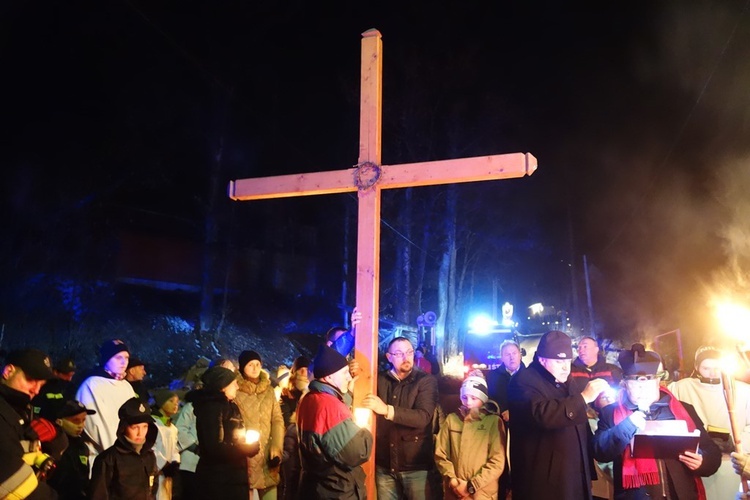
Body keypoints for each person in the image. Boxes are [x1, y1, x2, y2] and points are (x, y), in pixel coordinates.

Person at [593, 343, 722, 499]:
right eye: (635, 381)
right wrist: (627, 426)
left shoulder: (683, 409)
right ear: (625, 384)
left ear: (657, 381)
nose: (642, 387)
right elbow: (600, 452)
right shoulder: (611, 413)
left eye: (648, 380)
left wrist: (703, 461)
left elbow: (712, 452)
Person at [507, 330, 610, 500]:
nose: (565, 367)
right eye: (558, 361)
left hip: (574, 476)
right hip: (545, 484)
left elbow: (579, 423)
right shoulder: (522, 381)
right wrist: (584, 397)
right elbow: (542, 414)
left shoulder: (566, 379)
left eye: (567, 361)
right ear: (542, 359)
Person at [362, 336, 439, 500]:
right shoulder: (379, 380)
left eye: (409, 352)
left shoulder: (425, 381)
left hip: (415, 466)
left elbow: (423, 417)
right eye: (399, 353)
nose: (406, 358)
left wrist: (386, 410)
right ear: (389, 357)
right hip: (385, 465)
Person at [668, 345, 750, 499]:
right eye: (706, 368)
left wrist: (735, 442)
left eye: (717, 367)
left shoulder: (743, 391)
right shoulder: (680, 388)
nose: (712, 373)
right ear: (697, 367)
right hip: (698, 461)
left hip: (733, 463)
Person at [297, 344, 373, 499]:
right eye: (344, 373)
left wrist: (345, 396)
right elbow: (357, 452)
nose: (349, 377)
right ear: (328, 377)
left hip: (317, 488)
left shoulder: (309, 399)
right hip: (336, 490)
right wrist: (364, 429)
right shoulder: (328, 406)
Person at [190, 366, 260, 500]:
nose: (237, 387)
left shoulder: (230, 406)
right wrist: (244, 449)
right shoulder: (212, 408)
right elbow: (214, 447)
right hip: (219, 479)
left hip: (232, 476)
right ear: (223, 386)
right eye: (234, 384)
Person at [434, 370, 506, 499]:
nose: (468, 402)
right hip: (454, 491)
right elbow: (441, 454)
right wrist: (453, 480)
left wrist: (471, 485)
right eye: (464, 397)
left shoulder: (493, 422)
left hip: (481, 493)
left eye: (474, 398)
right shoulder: (452, 420)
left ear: (483, 399)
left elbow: (497, 461)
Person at [0, 348, 59, 499]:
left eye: (41, 384)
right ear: (8, 371)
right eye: (31, 380)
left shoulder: (21, 408)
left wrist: (56, 436)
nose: (36, 390)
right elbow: (15, 482)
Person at [174, 358, 235, 500]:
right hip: (191, 461)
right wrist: (194, 447)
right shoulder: (193, 406)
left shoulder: (228, 409)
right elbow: (180, 428)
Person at [75, 339, 137, 473]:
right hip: (103, 461)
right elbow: (97, 426)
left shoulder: (126, 386)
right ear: (106, 359)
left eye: (126, 357)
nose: (123, 362)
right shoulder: (92, 385)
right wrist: (117, 455)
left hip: (127, 457)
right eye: (118, 357)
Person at [234, 350, 284, 500]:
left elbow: (277, 419)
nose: (255, 368)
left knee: (270, 492)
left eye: (257, 364)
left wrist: (276, 446)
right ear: (243, 367)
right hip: (246, 455)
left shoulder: (268, 391)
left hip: (268, 455)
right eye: (250, 365)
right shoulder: (236, 391)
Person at [89, 397, 159, 499]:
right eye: (135, 427)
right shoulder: (109, 459)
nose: (140, 433)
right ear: (123, 428)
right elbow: (98, 495)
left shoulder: (149, 455)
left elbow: (153, 490)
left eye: (145, 427)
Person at [48, 400, 97, 499]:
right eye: (76, 420)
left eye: (83, 420)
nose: (81, 425)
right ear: (60, 421)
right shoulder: (51, 446)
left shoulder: (82, 446)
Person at [570, 336, 623, 412]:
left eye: (585, 346)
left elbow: (621, 392)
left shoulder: (612, 370)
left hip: (607, 416)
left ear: (596, 350)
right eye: (579, 347)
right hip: (579, 415)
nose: (581, 350)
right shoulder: (570, 371)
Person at [151, 389, 181, 500]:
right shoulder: (153, 424)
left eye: (177, 402)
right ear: (161, 403)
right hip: (156, 471)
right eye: (171, 401)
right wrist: (164, 464)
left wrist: (175, 462)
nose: (175, 404)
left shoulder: (173, 428)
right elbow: (151, 447)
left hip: (167, 473)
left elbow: (175, 448)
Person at [486, 340, 525, 423]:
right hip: (499, 423)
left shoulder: (530, 376)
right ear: (502, 358)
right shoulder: (492, 376)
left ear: (520, 355)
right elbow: (491, 399)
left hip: (523, 423)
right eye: (507, 354)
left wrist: (514, 412)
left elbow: (532, 401)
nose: (512, 357)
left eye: (514, 353)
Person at [33, 356, 77, 422]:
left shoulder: (69, 388)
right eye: (67, 375)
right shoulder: (42, 385)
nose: (69, 379)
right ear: (55, 372)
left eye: (72, 375)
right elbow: (36, 408)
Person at [279, 356, 310, 428]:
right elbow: (285, 416)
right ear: (295, 372)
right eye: (300, 369)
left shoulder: (312, 389)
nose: (303, 372)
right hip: (292, 431)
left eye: (306, 369)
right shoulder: (287, 392)